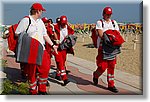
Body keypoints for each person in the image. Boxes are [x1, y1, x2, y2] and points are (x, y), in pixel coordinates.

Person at [15, 3, 58, 95]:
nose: (42, 12)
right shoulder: (26, 20)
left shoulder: (40, 22)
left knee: (45, 68)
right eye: (41, 10)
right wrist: (28, 39)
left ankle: (42, 89)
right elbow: (17, 33)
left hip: (41, 48)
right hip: (30, 50)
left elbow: (44, 35)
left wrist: (52, 45)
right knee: (32, 71)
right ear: (37, 11)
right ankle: (33, 90)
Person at [93, 7, 120, 93]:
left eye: (110, 14)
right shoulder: (99, 23)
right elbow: (101, 34)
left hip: (112, 48)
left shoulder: (114, 23)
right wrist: (110, 37)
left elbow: (117, 33)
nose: (108, 16)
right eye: (107, 14)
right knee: (102, 66)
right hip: (103, 48)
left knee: (111, 66)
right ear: (103, 14)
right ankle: (96, 75)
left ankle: (111, 85)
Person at [53, 15, 74, 86]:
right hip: (57, 48)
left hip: (64, 48)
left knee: (63, 61)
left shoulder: (68, 28)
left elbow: (72, 34)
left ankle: (57, 74)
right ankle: (65, 79)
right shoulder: (56, 27)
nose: (63, 25)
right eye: (62, 24)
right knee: (60, 63)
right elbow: (51, 31)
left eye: (64, 24)